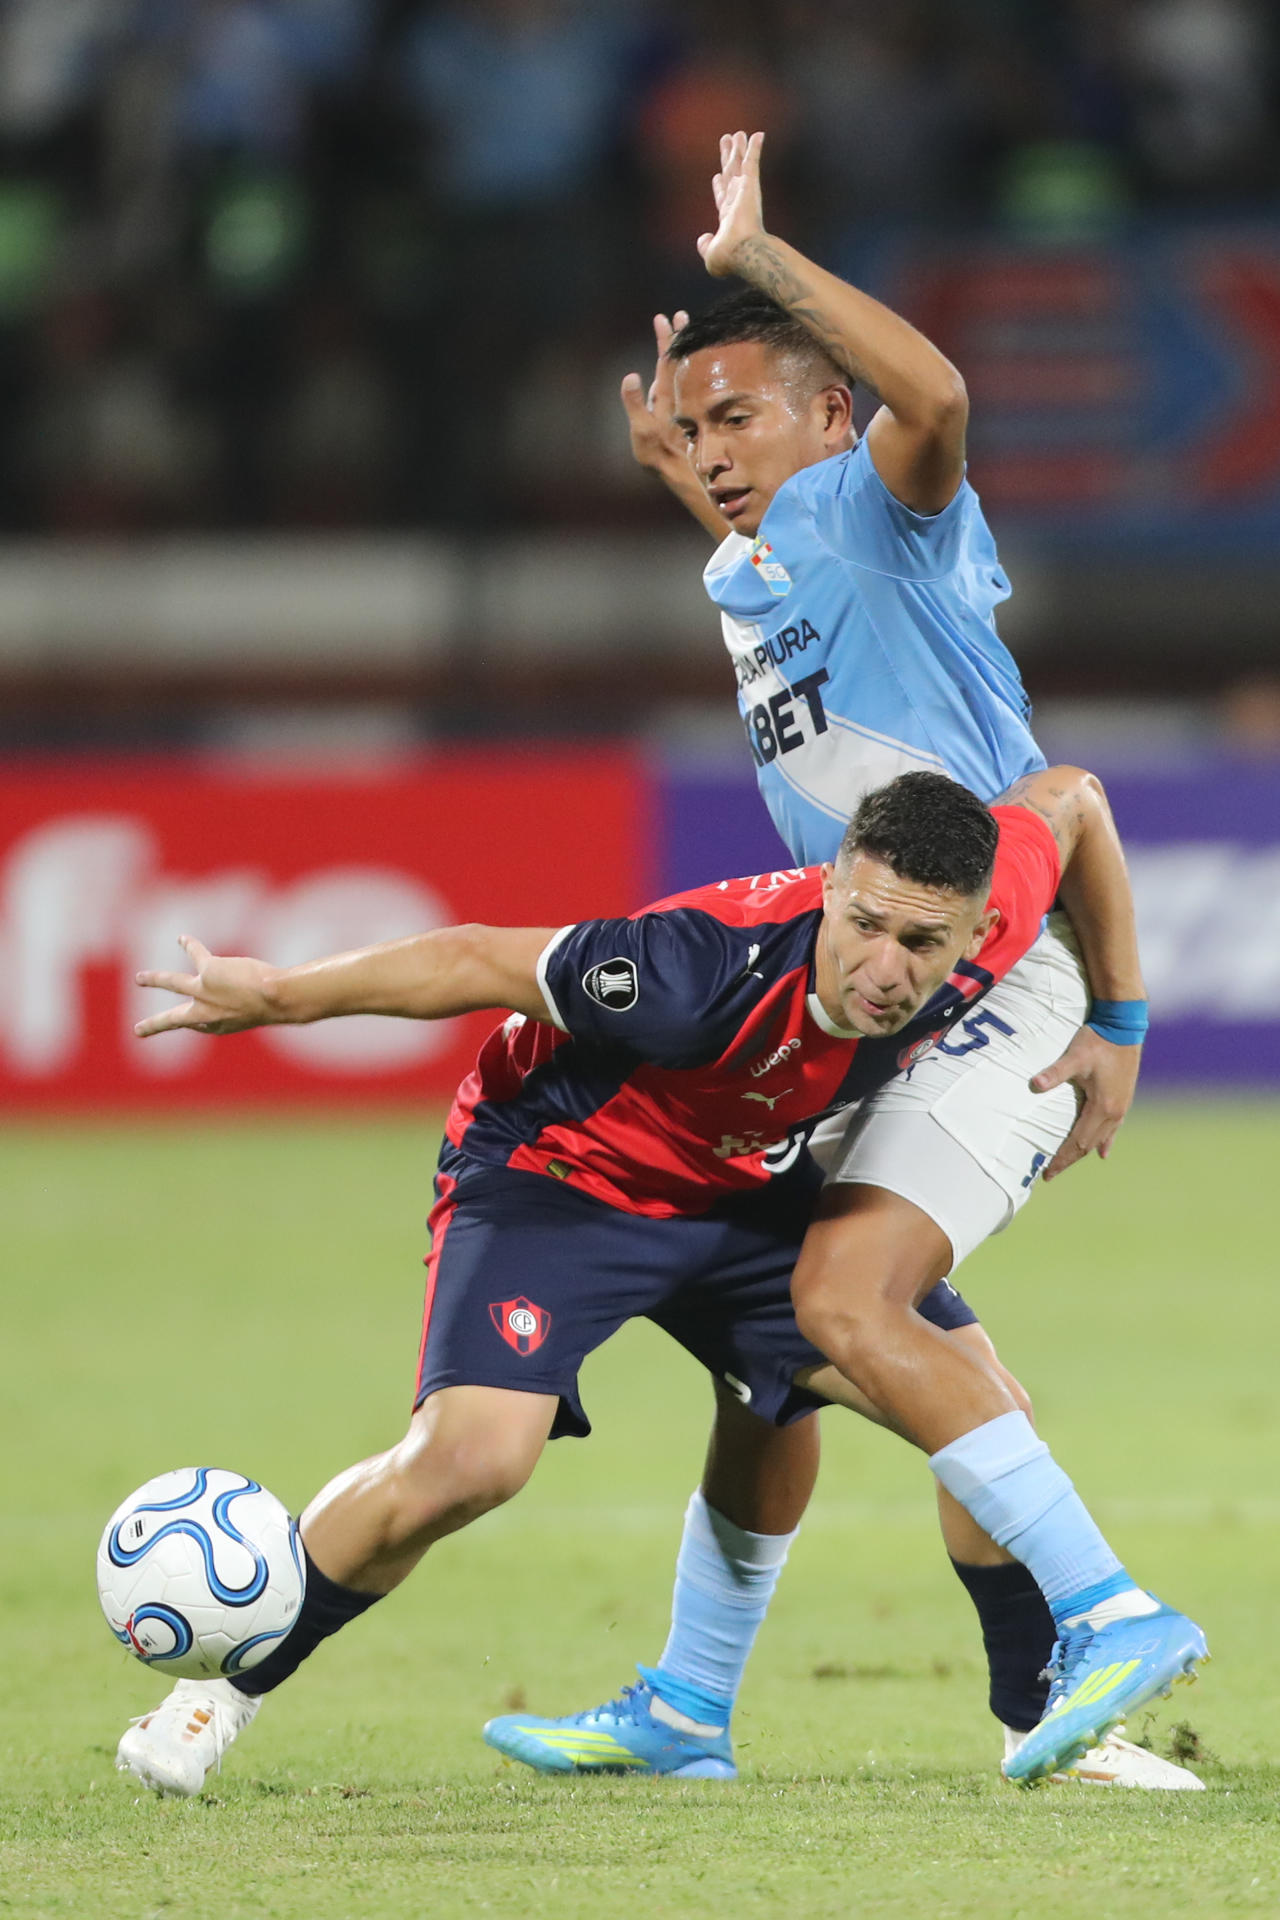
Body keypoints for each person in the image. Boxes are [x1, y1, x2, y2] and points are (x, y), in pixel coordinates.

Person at [485, 131, 1200, 1790]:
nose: (720, 451)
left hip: (984, 990)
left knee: (830, 1303)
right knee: (793, 1351)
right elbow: (750, 538)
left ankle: (1111, 1618)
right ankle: (730, 1703)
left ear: (830, 425)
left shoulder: (884, 514)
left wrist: (765, 263)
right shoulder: (759, 564)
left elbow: (936, 399)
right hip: (886, 1008)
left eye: (752, 418)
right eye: (702, 426)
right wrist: (692, 453)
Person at [112, 770, 1203, 1799]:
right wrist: (279, 995)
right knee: (474, 1461)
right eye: (861, 924)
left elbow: (1070, 800)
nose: (882, 965)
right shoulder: (690, 971)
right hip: (558, 1173)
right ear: (830, 887)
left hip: (740, 1181)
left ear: (977, 933)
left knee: (970, 1408)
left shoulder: (991, 899)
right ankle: (224, 1684)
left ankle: (1020, 1726)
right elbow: (469, 961)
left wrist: (1117, 1020)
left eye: (919, 941)